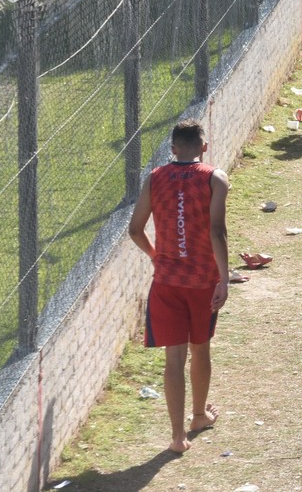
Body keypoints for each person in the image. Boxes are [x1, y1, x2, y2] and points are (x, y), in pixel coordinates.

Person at [126, 120, 230, 454]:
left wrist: (157, 257)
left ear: (173, 149)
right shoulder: (214, 177)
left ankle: (176, 437)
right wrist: (225, 279)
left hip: (167, 282)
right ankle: (198, 416)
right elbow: (217, 231)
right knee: (200, 348)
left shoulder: (155, 178)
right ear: (204, 146)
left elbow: (135, 230)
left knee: (174, 359)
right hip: (201, 282)